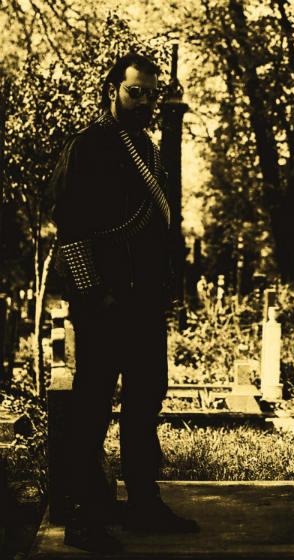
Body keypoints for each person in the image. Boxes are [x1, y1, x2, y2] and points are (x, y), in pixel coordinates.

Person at [51, 53, 199, 553]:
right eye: (136, 92)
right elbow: (70, 229)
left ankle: (142, 502)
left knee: (144, 402)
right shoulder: (89, 146)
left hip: (143, 304)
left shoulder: (148, 149)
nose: (145, 102)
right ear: (113, 89)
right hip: (104, 302)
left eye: (150, 95)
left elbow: (158, 226)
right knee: (92, 407)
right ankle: (84, 515)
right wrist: (95, 293)